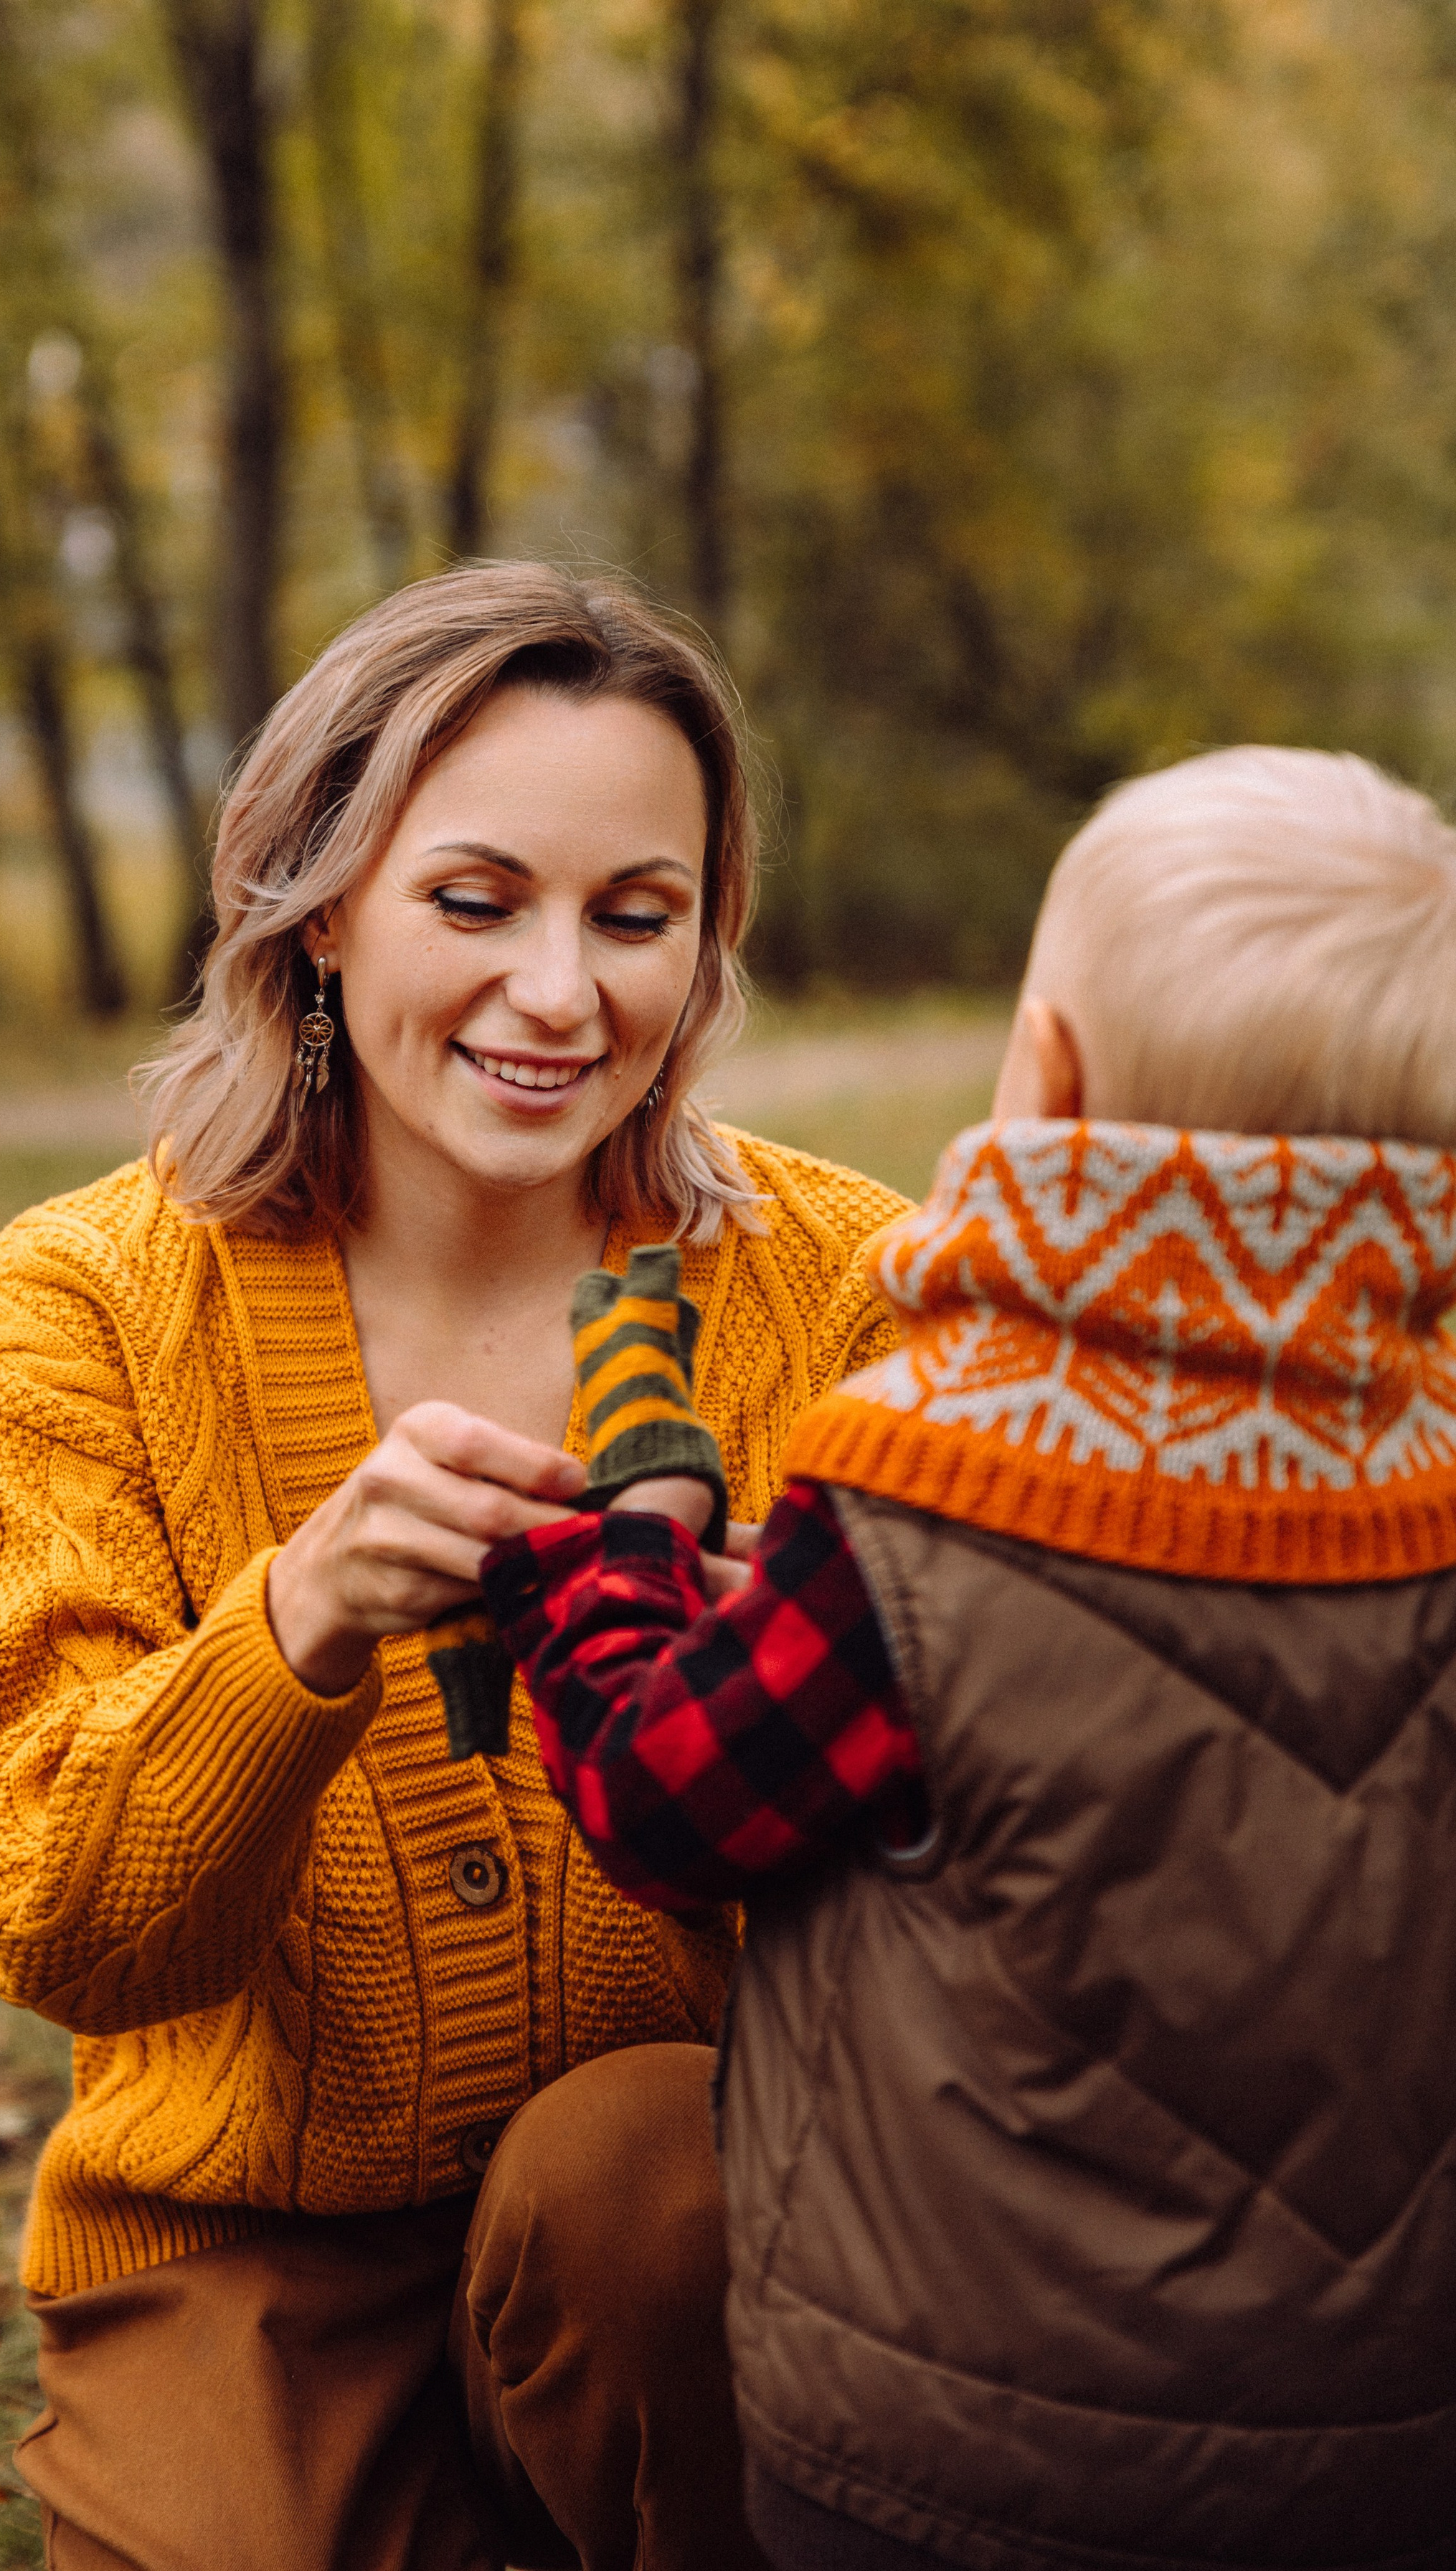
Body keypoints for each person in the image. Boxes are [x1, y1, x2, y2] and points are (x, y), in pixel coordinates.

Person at [0, 561, 909, 2571]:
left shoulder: (852, 1294)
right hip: (246, 2235)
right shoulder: (82, 1303)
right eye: (476, 901)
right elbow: (53, 1913)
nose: (562, 995)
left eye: (639, 917)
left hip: (707, 2212)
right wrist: (297, 1622)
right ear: (316, 899)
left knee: (647, 2177)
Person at [480, 745, 1456, 2571]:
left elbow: (659, 1797)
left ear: (1049, 1068)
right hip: (1392, 2446)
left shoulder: (934, 1484)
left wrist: (606, 1564)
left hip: (950, 2451)